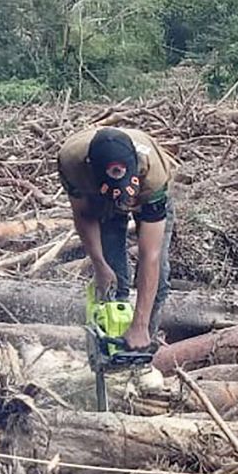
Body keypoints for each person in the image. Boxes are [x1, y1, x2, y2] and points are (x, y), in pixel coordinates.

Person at [57, 127, 177, 350]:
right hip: (98, 198)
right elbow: (84, 215)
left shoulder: (153, 174)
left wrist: (140, 324)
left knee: (158, 278)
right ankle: (109, 342)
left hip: (147, 191)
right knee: (112, 273)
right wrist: (99, 263)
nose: (122, 197)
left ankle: (142, 342)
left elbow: (150, 254)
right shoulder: (73, 164)